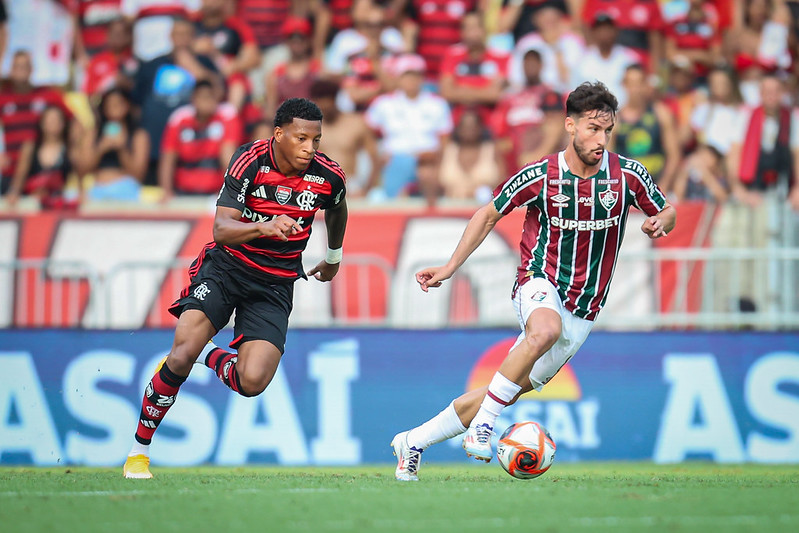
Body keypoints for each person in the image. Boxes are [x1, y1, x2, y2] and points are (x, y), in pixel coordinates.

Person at [390, 81, 675, 481]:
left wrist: (663, 219)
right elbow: (488, 214)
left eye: (607, 130)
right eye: (593, 128)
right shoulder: (541, 174)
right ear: (570, 126)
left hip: (585, 309)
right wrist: (451, 266)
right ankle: (483, 429)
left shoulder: (627, 175)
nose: (601, 138)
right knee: (544, 329)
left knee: (501, 390)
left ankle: (413, 441)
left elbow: (667, 209)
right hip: (538, 280)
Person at [122, 97, 348, 479]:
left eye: (317, 139)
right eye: (302, 138)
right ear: (279, 134)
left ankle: (207, 355)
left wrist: (333, 256)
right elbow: (221, 228)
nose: (311, 148)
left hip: (274, 285)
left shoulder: (329, 175)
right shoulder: (249, 161)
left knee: (253, 382)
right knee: (179, 354)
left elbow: (338, 208)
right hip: (227, 269)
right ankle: (138, 453)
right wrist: (264, 225)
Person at [159, 80, 242, 199]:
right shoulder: (179, 119)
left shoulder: (227, 116)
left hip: (214, 194)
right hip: (182, 193)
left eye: (211, 97)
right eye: (203, 97)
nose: (208, 102)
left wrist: (229, 194)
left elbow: (228, 160)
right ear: (193, 99)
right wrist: (166, 191)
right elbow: (168, 160)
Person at [4, 105, 80, 209]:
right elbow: (20, 174)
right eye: (49, 120)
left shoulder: (70, 149)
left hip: (60, 203)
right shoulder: (30, 147)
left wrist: (81, 192)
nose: (53, 123)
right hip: (33, 202)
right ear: (41, 123)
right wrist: (14, 192)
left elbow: (78, 175)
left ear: (63, 124)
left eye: (57, 120)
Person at [82, 87, 150, 201]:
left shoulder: (138, 135)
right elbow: (82, 169)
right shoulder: (93, 133)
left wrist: (122, 149)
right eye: (110, 104)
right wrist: (101, 148)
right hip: (97, 189)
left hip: (127, 189)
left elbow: (139, 175)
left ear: (127, 105)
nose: (114, 107)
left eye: (118, 103)